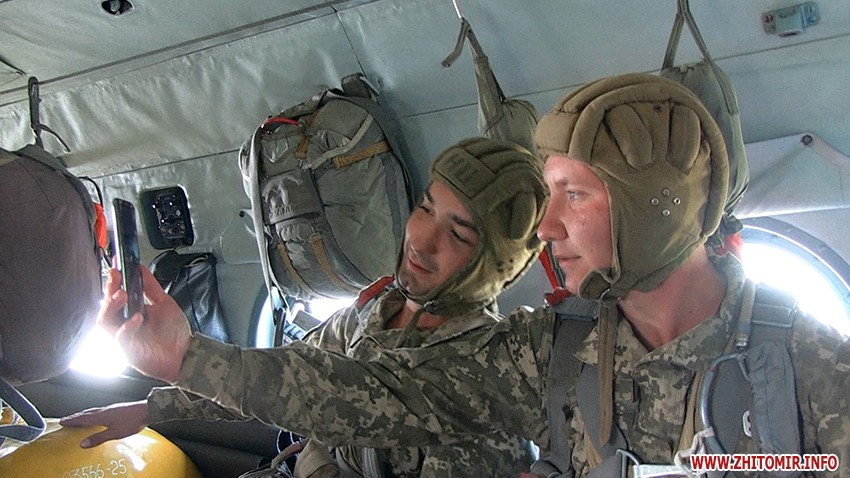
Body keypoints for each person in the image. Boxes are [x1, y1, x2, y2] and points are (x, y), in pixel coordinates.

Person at [66, 74, 850, 477]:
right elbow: (370, 393)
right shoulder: (549, 352)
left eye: (576, 196)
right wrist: (183, 362)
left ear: (655, 207)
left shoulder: (812, 373)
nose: (550, 228)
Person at [62, 137, 550, 477]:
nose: (420, 240)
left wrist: (184, 358)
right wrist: (153, 406)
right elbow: (297, 367)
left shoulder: (483, 377)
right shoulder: (380, 308)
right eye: (425, 208)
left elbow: (340, 396)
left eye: (458, 235)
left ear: (492, 267)